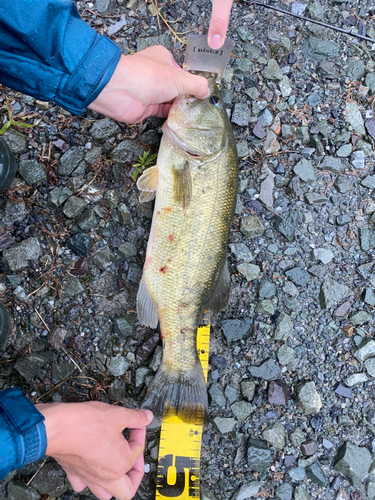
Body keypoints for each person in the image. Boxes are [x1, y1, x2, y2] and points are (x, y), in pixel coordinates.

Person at [0, 1, 234, 499]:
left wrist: (109, 74)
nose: (202, 101)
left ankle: (181, 365)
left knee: (182, 305)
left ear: (210, 141)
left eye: (210, 109)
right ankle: (180, 370)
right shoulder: (191, 152)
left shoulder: (192, 154)